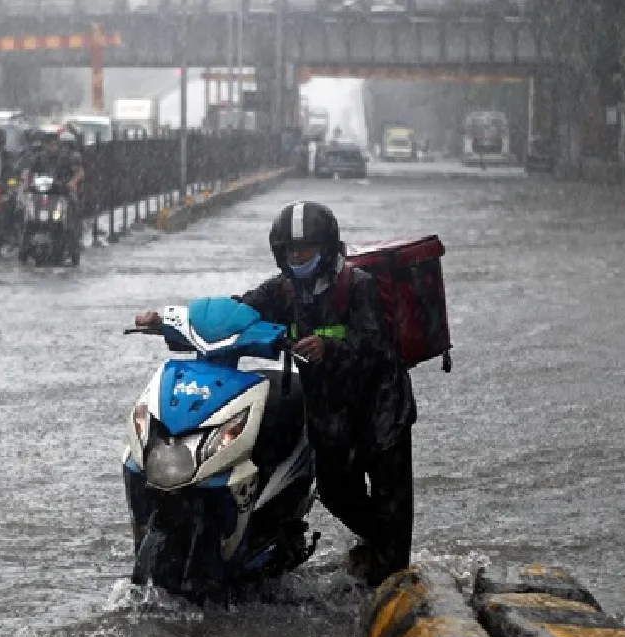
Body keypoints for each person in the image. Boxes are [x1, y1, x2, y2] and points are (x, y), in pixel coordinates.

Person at [134, 201, 418, 587]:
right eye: (290, 250)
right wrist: (167, 321)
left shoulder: (358, 287)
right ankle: (378, 545)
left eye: (305, 249)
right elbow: (234, 312)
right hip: (330, 408)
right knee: (335, 491)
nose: (297, 257)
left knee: (392, 503)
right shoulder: (285, 290)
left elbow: (378, 347)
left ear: (327, 247)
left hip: (379, 408)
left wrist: (330, 348)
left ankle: (393, 572)